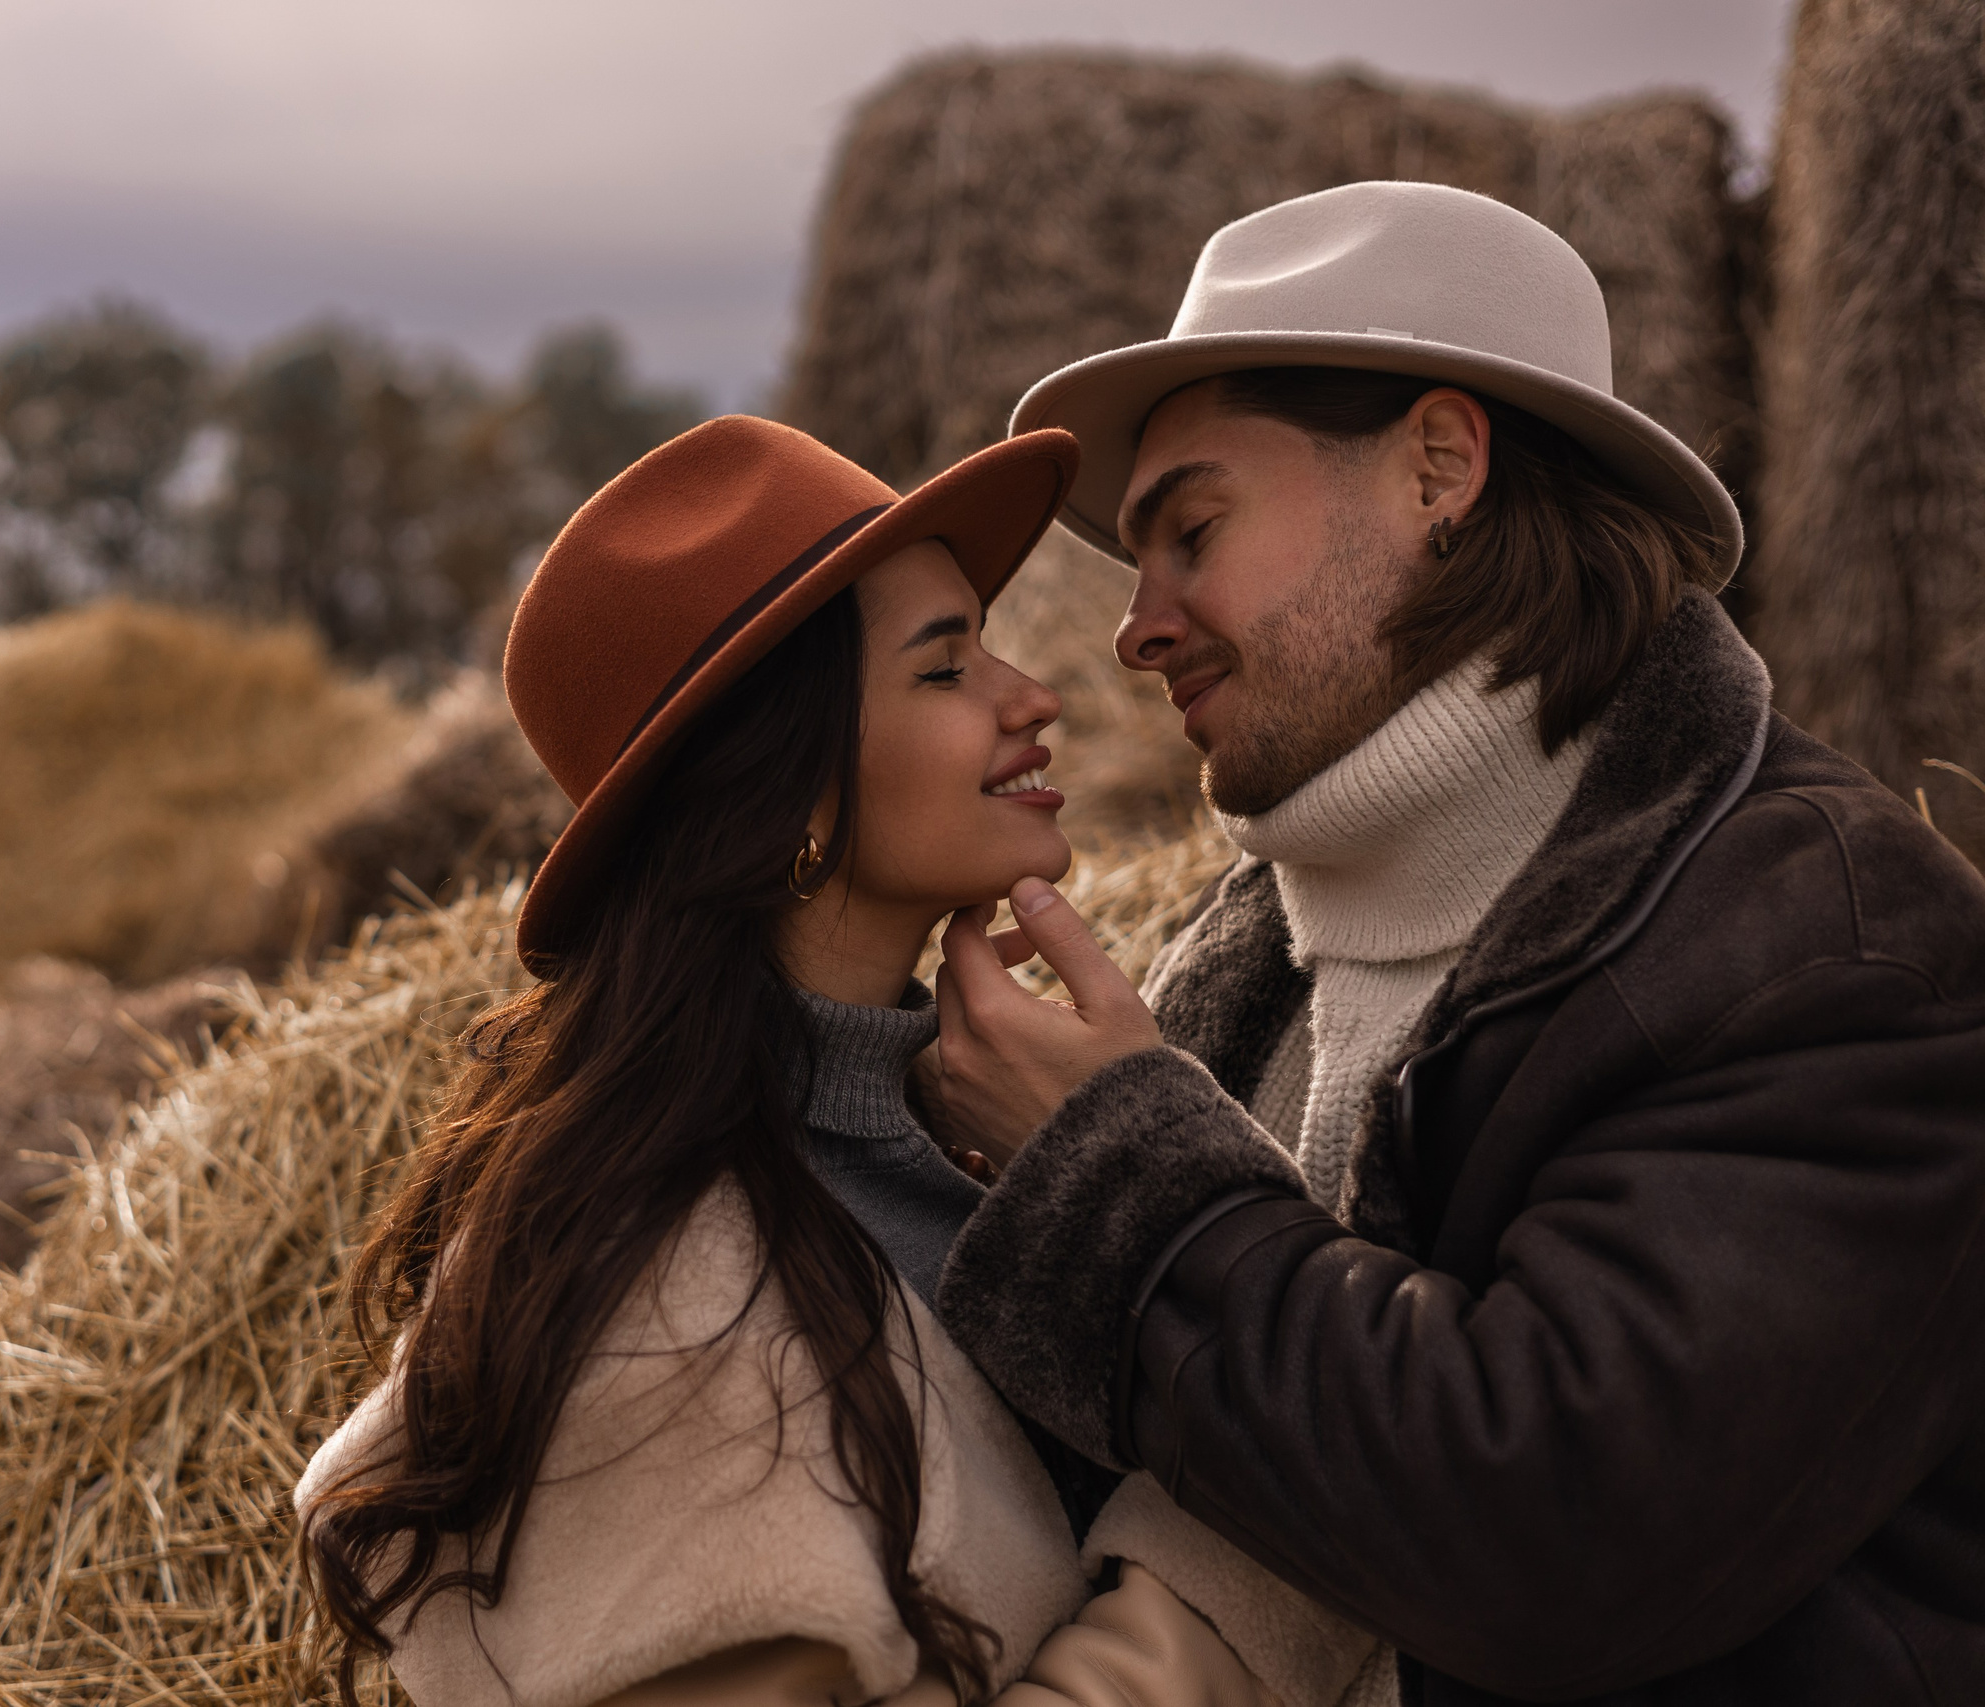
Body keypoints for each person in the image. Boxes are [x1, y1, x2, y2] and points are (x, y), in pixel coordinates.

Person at [920, 181, 1985, 1705]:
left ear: (1438, 466)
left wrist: (1106, 1174)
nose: (1133, 628)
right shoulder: (1253, 955)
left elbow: (1562, 1541)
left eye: (1194, 530)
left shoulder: (1833, 957)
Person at [294, 415, 1392, 1706]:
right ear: (788, 798)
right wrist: (1245, 1554)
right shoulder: (665, 1315)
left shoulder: (954, 1138)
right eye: (944, 669)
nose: (1031, 694)